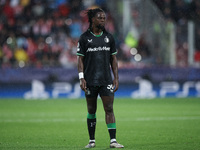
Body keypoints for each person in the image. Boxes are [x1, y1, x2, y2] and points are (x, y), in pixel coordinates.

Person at [76, 8, 124, 148]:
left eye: (104, 18)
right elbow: (80, 60)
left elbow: (113, 59)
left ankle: (113, 141)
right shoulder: (84, 38)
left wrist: (116, 78)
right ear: (92, 19)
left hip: (106, 80)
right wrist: (81, 78)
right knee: (91, 110)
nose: (103, 20)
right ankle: (92, 141)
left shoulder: (109, 37)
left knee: (109, 109)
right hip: (90, 80)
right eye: (100, 18)